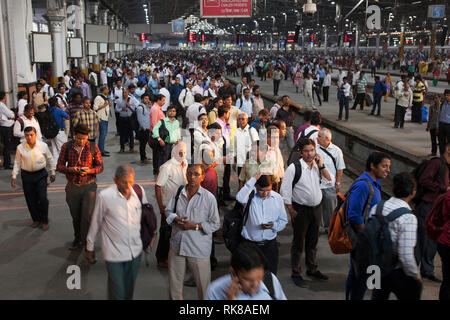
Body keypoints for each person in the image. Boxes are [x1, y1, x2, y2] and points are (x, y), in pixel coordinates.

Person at [86, 165, 146, 300]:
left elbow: (146, 216)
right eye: (124, 182)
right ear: (115, 180)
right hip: (114, 254)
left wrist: (150, 235)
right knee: (118, 292)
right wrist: (89, 246)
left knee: (128, 291)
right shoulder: (105, 196)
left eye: (130, 181)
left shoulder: (139, 192)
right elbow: (96, 222)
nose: (128, 185)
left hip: (135, 253)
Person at [280, 138, 332, 287]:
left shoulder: (317, 166)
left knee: (313, 241)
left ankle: (312, 268)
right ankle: (296, 273)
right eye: (306, 151)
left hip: (316, 209)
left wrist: (321, 166)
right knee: (298, 242)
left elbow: (330, 181)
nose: (309, 154)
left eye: (312, 150)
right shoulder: (294, 168)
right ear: (301, 152)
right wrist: (290, 209)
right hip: (300, 210)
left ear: (315, 151)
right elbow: (286, 189)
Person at [166, 164, 220, 300]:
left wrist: (195, 226)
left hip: (198, 249)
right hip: (177, 245)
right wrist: (175, 218)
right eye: (189, 174)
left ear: (202, 177)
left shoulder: (209, 198)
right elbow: (168, 211)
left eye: (196, 174)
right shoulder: (179, 192)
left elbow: (215, 224)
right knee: (174, 287)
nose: (192, 177)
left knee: (203, 287)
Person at [346, 152, 391, 300]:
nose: (387, 170)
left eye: (388, 167)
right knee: (363, 278)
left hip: (368, 238)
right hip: (363, 240)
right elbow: (354, 215)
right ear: (373, 165)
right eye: (384, 166)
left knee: (360, 275)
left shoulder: (374, 183)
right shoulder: (364, 185)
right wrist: (367, 236)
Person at [370, 172, 423, 300]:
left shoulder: (377, 207)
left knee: (377, 296)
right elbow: (405, 254)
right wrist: (416, 275)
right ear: (413, 192)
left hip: (375, 267)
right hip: (398, 271)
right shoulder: (408, 217)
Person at [57, 124, 103, 250]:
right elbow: (59, 166)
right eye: (78, 139)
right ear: (74, 135)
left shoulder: (93, 147)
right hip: (72, 187)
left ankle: (87, 241)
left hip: (89, 186)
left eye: (84, 139)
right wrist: (70, 169)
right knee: (76, 216)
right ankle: (77, 238)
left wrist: (89, 171)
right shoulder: (66, 147)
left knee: (87, 216)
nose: (81, 141)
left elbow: (100, 167)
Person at [236, 172, 288, 275]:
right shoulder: (249, 197)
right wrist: (253, 178)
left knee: (270, 276)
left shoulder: (277, 198)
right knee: (250, 276)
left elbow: (283, 220)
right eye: (261, 191)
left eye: (268, 190)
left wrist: (274, 225)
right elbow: (239, 197)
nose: (265, 193)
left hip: (269, 246)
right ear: (255, 186)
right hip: (251, 245)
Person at [414, 144, 450, 283]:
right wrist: (443, 188)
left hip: (437, 207)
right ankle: (415, 271)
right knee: (422, 239)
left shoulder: (446, 166)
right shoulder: (436, 163)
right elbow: (424, 180)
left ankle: (427, 270)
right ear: (448, 148)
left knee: (431, 241)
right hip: (427, 205)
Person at [205, 241, 287, 300]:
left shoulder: (270, 280)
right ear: (233, 273)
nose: (255, 284)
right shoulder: (215, 291)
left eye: (260, 278)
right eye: (248, 279)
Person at [11, 127, 55, 230]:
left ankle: (44, 220)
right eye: (27, 135)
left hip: (40, 175)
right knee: (30, 199)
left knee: (42, 198)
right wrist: (14, 176)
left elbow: (50, 159)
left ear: (35, 134)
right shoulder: (20, 147)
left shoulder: (43, 146)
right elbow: (17, 162)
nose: (29, 137)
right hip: (26, 176)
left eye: (31, 135)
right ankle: (36, 219)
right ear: (24, 136)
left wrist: (52, 172)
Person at [155, 143, 187, 268]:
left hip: (181, 205)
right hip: (168, 206)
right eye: (180, 153)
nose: (182, 155)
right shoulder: (167, 167)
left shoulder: (185, 165)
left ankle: (173, 256)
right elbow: (158, 187)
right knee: (165, 232)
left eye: (184, 153)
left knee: (176, 233)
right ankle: (161, 258)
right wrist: (161, 207)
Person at [316, 128, 345, 233]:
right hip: (317, 185)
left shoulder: (336, 150)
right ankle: (318, 228)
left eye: (319, 136)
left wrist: (338, 183)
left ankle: (330, 228)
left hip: (329, 185)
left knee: (330, 208)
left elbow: (340, 168)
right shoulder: (315, 149)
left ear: (327, 139)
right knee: (317, 209)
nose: (317, 138)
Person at [152, 105, 181, 171]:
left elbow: (178, 131)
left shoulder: (176, 122)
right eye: (170, 111)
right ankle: (161, 175)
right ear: (167, 112)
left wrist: (178, 140)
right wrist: (159, 139)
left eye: (173, 111)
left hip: (174, 144)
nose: (172, 112)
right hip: (165, 144)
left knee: (173, 161)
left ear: (175, 113)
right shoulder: (162, 121)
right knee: (163, 161)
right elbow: (154, 130)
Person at [233, 112, 259, 177]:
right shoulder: (236, 132)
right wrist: (234, 161)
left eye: (243, 119)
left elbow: (257, 146)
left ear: (247, 120)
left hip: (250, 163)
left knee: (249, 183)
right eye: (239, 119)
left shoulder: (252, 130)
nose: (240, 121)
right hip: (240, 163)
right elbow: (235, 147)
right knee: (241, 183)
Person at [48, 96, 69, 161]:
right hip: (60, 131)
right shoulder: (58, 110)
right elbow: (67, 116)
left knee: (54, 149)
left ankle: (55, 164)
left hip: (52, 131)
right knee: (63, 148)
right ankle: (64, 164)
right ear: (56, 102)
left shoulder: (48, 110)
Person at [150, 94, 167, 175]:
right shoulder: (155, 109)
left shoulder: (157, 108)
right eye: (163, 100)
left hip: (160, 133)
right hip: (157, 134)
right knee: (157, 153)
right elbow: (154, 124)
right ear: (158, 100)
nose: (164, 102)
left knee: (159, 153)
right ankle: (156, 169)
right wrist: (159, 138)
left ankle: (158, 168)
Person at [93, 85, 111, 157]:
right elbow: (95, 108)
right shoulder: (98, 98)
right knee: (102, 135)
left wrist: (108, 105)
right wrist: (104, 105)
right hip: (101, 118)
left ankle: (102, 148)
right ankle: (100, 150)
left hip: (105, 118)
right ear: (103, 90)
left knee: (104, 134)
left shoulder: (104, 97)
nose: (108, 91)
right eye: (107, 89)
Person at [0, 91, 15, 169]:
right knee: (7, 146)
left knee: (6, 145)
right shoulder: (2, 105)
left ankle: (7, 162)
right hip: (6, 126)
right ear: (4, 97)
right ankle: (7, 163)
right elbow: (10, 114)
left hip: (3, 126)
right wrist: (12, 115)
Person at [136, 94, 151, 164]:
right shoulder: (140, 108)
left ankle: (144, 156)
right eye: (145, 98)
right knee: (142, 144)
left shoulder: (146, 106)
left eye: (148, 98)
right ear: (142, 99)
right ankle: (143, 157)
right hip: (143, 128)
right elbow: (139, 118)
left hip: (147, 127)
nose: (147, 100)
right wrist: (143, 127)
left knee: (144, 143)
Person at [437, 89, 450, 156]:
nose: (446, 97)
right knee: (441, 141)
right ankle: (442, 155)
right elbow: (439, 115)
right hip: (441, 125)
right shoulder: (443, 104)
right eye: (445, 95)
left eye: (448, 95)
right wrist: (437, 126)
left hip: (448, 126)